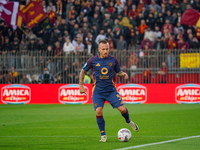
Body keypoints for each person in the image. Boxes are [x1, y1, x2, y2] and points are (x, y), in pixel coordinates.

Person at [79, 40, 139, 142]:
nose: (106, 51)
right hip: (98, 91)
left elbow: (118, 72)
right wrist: (81, 85)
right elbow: (83, 71)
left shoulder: (113, 60)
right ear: (99, 50)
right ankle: (103, 135)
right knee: (99, 110)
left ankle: (128, 121)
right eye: (103, 49)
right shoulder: (92, 60)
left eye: (107, 49)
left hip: (111, 90)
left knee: (123, 110)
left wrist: (122, 74)